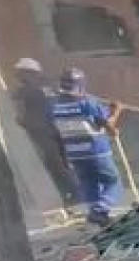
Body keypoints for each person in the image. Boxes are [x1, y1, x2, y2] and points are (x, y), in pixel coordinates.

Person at [47, 67, 127, 226]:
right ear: (81, 85)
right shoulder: (88, 103)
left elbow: (56, 134)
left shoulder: (53, 107)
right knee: (113, 182)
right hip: (96, 152)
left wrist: (64, 157)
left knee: (89, 183)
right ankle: (100, 210)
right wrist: (117, 110)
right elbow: (110, 128)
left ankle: (97, 216)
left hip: (74, 155)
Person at [10, 57, 77, 206]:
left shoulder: (26, 90)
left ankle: (71, 194)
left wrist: (21, 121)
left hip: (42, 131)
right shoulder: (50, 85)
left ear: (29, 73)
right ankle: (72, 193)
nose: (18, 76)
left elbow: (18, 111)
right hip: (58, 128)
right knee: (63, 162)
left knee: (53, 164)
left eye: (20, 73)